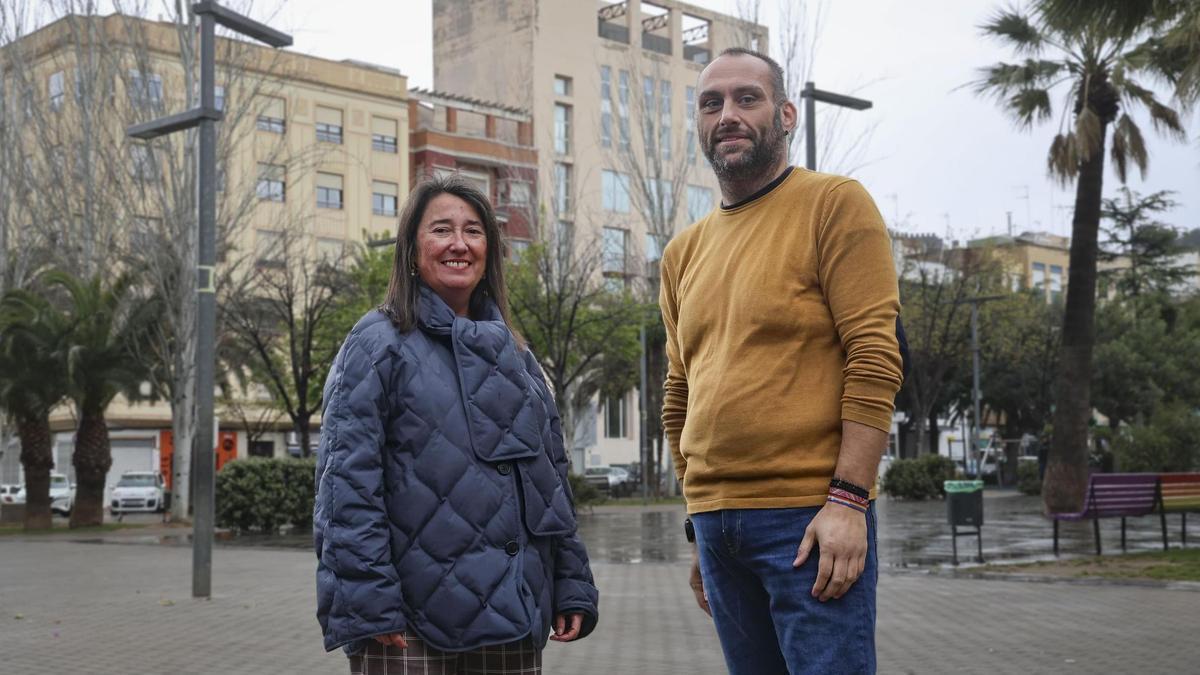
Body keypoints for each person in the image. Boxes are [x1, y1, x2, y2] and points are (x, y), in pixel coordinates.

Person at [660, 48, 905, 675]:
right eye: (711, 103)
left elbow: (874, 357)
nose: (728, 115)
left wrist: (850, 501)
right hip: (718, 528)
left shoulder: (835, 203)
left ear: (787, 114)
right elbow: (679, 392)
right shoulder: (682, 252)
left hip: (808, 520)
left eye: (748, 98)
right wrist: (697, 525)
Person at [314, 176, 599, 674]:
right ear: (412, 248)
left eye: (473, 231)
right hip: (408, 626)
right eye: (441, 230)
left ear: (489, 249)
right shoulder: (376, 343)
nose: (459, 244)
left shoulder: (517, 355)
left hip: (512, 614)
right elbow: (346, 487)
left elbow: (550, 480)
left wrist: (571, 581)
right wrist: (368, 599)